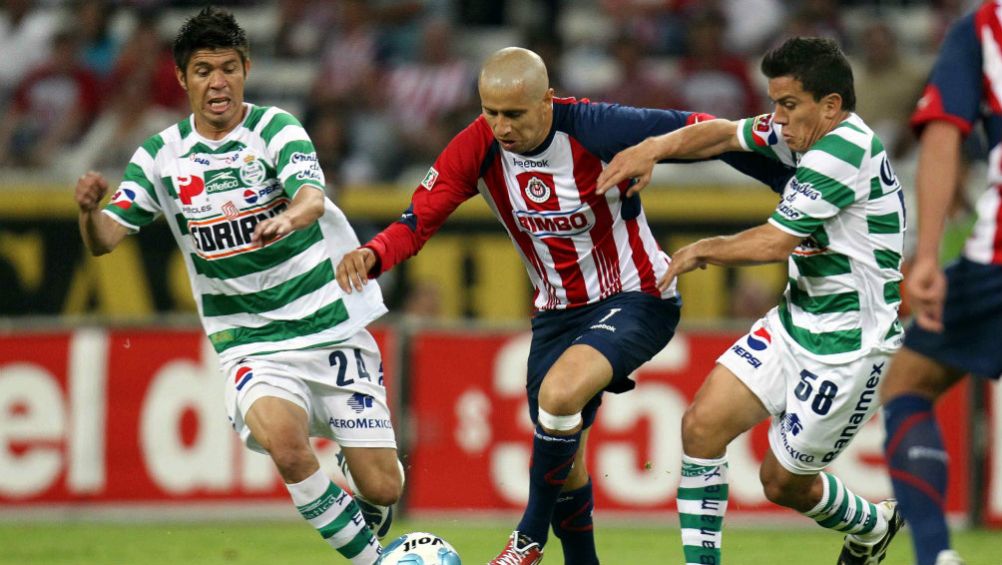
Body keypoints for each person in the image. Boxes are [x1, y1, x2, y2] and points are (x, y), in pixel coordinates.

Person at [336, 46, 792, 565]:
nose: (502, 127)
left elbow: (705, 132)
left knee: (558, 396)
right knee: (565, 461)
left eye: (514, 114)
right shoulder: (477, 146)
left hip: (638, 295)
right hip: (555, 315)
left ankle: (528, 538)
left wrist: (785, 182)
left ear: (547, 100)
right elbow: (419, 217)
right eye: (491, 112)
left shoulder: (596, 127)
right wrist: (374, 253)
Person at [73, 8, 402, 564]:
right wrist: (87, 212)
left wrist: (290, 217)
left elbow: (312, 197)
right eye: (203, 71)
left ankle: (359, 468)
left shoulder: (276, 128)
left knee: (385, 487)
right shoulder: (159, 157)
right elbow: (105, 239)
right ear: (183, 78)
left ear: (246, 69)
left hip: (329, 325)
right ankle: (378, 561)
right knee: (286, 446)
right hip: (251, 342)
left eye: (228, 68)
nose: (217, 82)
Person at [597, 37, 906, 565]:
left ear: (830, 105)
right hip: (796, 320)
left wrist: (702, 249)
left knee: (781, 483)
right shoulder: (802, 131)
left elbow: (774, 243)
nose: (777, 118)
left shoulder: (843, 151)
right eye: (775, 103)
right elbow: (722, 133)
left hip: (851, 346)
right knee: (701, 427)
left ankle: (873, 524)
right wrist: (653, 149)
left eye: (788, 104)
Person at [880, 3, 1002, 564]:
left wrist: (925, 256)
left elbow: (942, 133)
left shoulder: (985, 27)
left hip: (995, 260)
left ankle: (935, 555)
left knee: (909, 384)